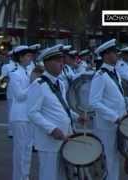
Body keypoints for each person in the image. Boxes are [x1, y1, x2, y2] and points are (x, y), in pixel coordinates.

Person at [27, 44, 85, 180]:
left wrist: (76, 117)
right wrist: (52, 129)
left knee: (63, 176)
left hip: (65, 136)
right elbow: (32, 112)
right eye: (58, 61)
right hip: (49, 141)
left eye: (62, 60)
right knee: (49, 176)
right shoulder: (39, 84)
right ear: (47, 63)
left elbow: (62, 107)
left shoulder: (60, 83)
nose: (62, 64)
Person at [89, 39, 128, 180]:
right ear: (106, 55)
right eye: (114, 53)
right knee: (108, 158)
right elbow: (93, 102)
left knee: (115, 157)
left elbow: (116, 98)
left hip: (118, 122)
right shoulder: (100, 76)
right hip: (107, 125)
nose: (117, 55)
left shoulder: (114, 73)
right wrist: (114, 116)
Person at [8, 45, 36, 180]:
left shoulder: (27, 71)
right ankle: (18, 177)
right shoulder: (14, 74)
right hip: (19, 116)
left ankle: (25, 176)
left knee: (28, 149)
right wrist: (33, 84)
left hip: (29, 114)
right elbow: (19, 96)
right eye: (27, 56)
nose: (30, 58)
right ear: (20, 58)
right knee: (20, 150)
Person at [1, 50, 17, 138]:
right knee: (11, 112)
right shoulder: (6, 66)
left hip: (20, 93)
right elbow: (3, 80)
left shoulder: (23, 66)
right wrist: (4, 86)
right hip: (11, 93)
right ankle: (11, 131)